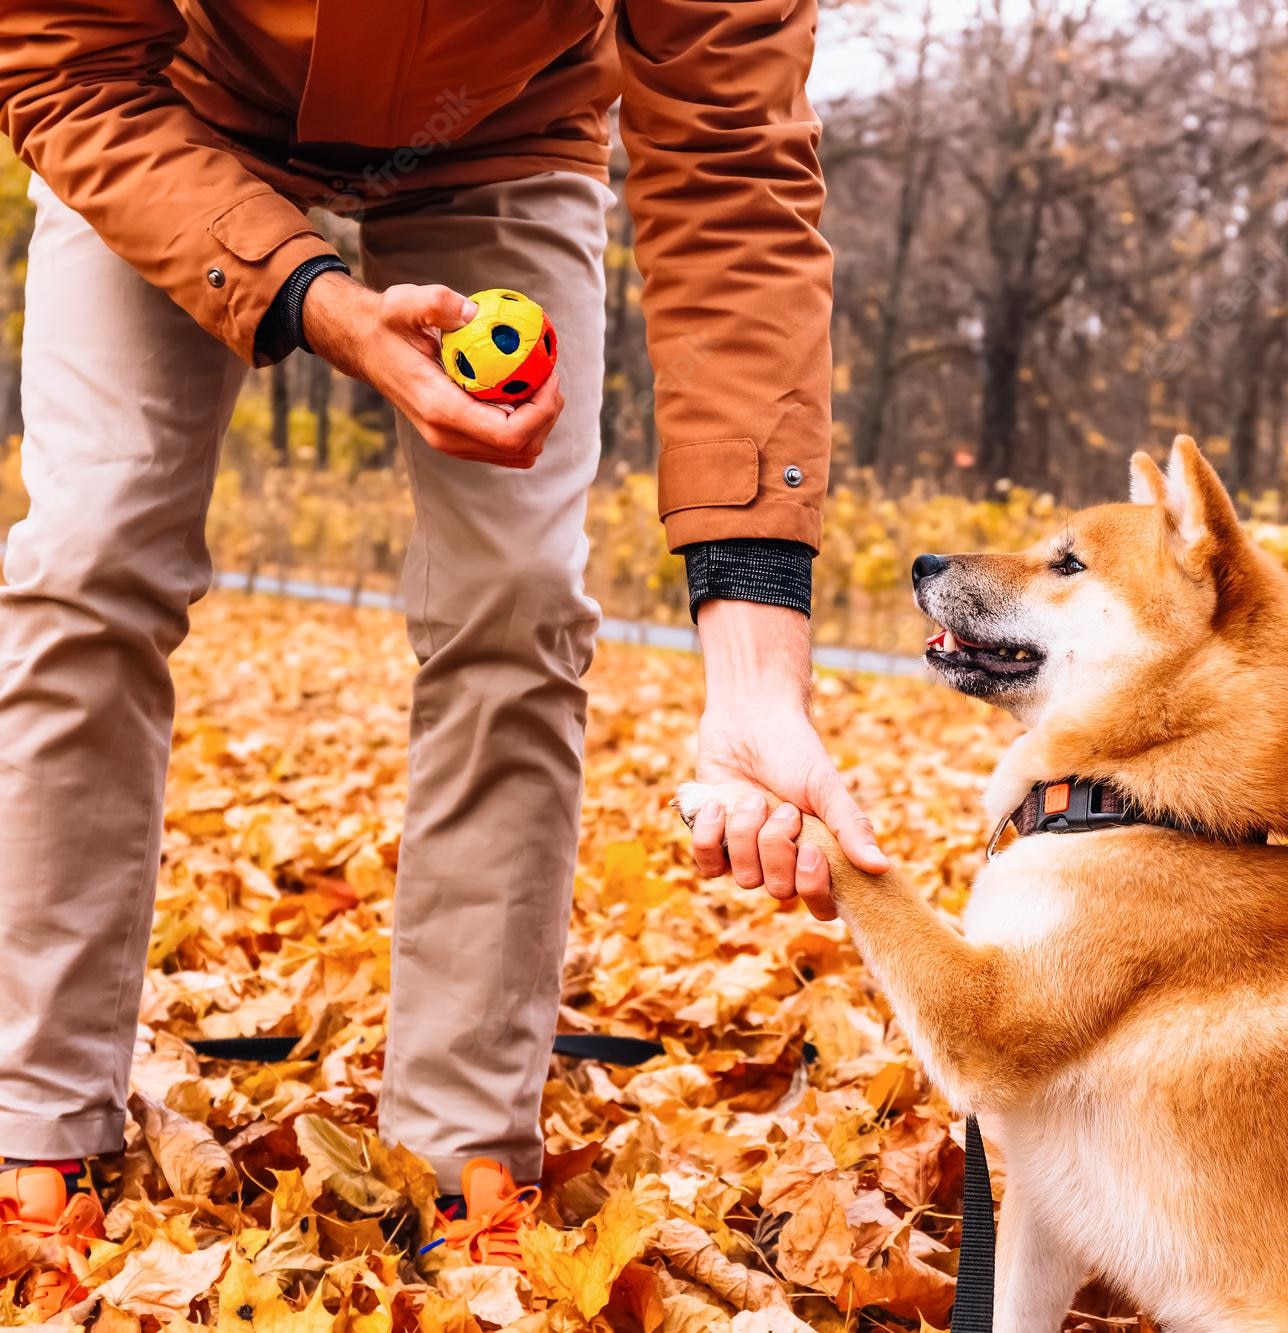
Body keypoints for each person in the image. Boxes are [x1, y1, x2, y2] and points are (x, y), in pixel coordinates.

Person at [0, 2, 887, 1313]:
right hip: (169, 106)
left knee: (517, 592)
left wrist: (756, 665)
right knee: (86, 551)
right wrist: (317, 299)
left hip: (503, 130)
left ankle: (460, 1135)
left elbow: (733, 169)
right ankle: (35, 1113)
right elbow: (62, 57)